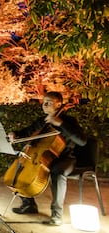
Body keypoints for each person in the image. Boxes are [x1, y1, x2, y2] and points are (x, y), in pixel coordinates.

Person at [7, 91, 87, 226]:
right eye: (43, 102)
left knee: (57, 173)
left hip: (65, 158)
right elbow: (28, 132)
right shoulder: (42, 121)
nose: (44, 105)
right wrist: (15, 134)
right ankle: (28, 204)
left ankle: (57, 215)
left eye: (48, 102)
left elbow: (82, 141)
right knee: (18, 167)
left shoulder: (69, 121)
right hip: (41, 156)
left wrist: (60, 123)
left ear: (59, 104)